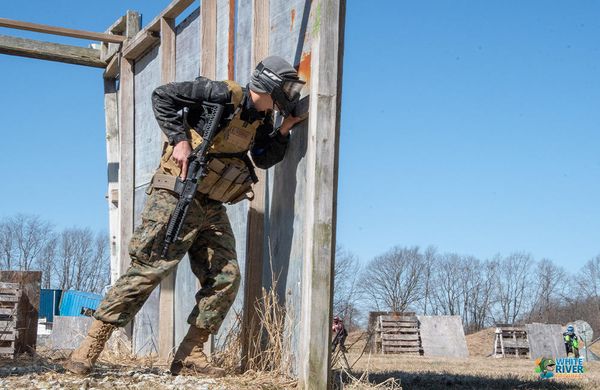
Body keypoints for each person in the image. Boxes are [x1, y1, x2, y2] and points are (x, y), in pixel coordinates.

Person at [65, 56, 306, 376]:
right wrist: (179, 140)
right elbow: (162, 95)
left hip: (210, 205)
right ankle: (88, 349)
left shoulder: (261, 121)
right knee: (149, 269)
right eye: (284, 88)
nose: (287, 96)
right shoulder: (221, 94)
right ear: (267, 85)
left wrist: (284, 130)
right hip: (176, 193)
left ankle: (190, 355)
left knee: (226, 277)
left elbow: (262, 159)